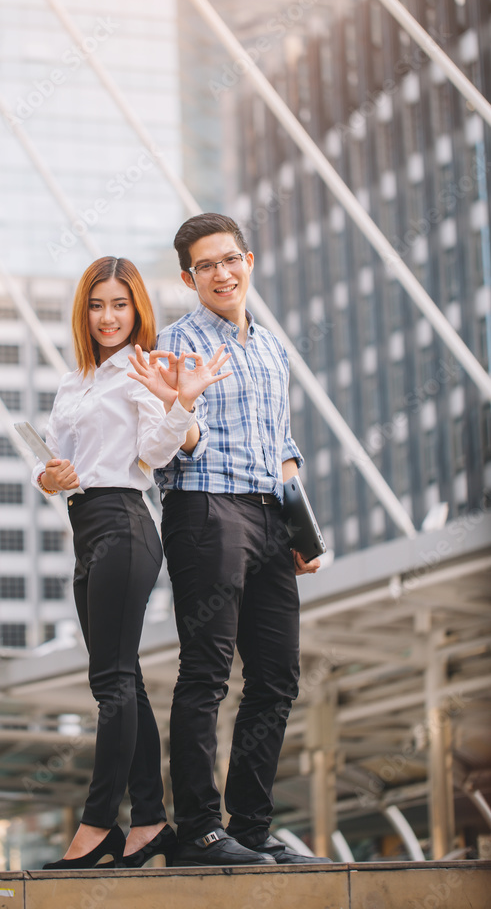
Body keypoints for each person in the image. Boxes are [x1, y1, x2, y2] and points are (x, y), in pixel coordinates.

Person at [33, 255, 231, 870]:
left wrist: (179, 404)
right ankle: (148, 821)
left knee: (110, 681)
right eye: (97, 305)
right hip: (85, 527)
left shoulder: (142, 370)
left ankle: (97, 826)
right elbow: (56, 469)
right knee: (123, 680)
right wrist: (50, 475)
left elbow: (153, 452)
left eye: (120, 304)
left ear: (137, 308)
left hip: (124, 522)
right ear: (83, 312)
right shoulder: (74, 383)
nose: (108, 316)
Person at [153, 213, 329, 868]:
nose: (222, 273)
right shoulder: (173, 346)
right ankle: (198, 829)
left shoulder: (271, 347)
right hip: (204, 512)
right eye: (206, 266)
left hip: (268, 517)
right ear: (187, 277)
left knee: (277, 676)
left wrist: (299, 528)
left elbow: (281, 446)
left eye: (230, 260)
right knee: (205, 674)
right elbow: (163, 448)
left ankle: (251, 829)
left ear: (248, 261)